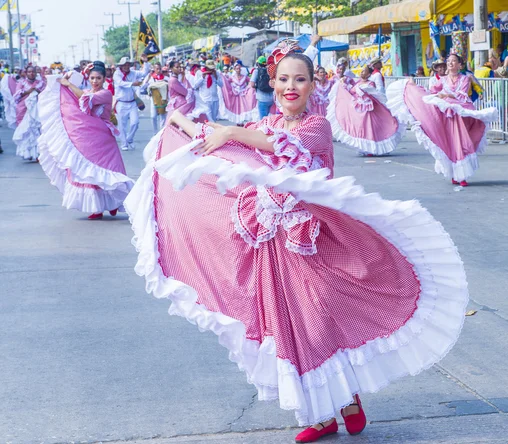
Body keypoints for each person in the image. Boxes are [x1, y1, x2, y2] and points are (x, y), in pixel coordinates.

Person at [124, 40, 468, 444]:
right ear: (273, 82)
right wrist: (180, 124)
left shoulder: (315, 127)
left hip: (314, 237)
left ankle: (348, 397)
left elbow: (278, 149)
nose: (291, 87)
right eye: (283, 79)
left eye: (300, 79)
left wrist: (233, 131)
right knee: (288, 325)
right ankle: (321, 414)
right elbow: (225, 140)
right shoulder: (265, 125)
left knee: (320, 317)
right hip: (271, 241)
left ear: (312, 85)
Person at [37, 63, 134, 219]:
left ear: (104, 79)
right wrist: (64, 87)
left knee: (110, 171)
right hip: (90, 138)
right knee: (89, 172)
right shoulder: (87, 91)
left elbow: (83, 97)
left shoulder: (106, 93)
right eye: (92, 78)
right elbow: (75, 98)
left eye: (98, 78)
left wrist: (68, 84)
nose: (95, 81)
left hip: (103, 138)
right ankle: (98, 208)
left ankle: (114, 204)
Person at [387, 52, 498, 186]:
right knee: (449, 143)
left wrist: (445, 95)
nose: (450, 63)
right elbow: (431, 92)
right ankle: (453, 173)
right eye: (449, 61)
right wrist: (415, 87)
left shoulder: (465, 78)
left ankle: (462, 176)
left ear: (459, 64)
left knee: (461, 143)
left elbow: (462, 95)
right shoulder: (442, 79)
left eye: (453, 61)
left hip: (459, 115)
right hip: (446, 115)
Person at [328, 65, 404, 156]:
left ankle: (372, 149)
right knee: (362, 130)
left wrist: (360, 90)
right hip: (359, 111)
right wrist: (343, 84)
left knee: (370, 130)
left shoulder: (370, 83)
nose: (362, 73)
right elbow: (351, 91)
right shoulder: (358, 82)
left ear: (368, 74)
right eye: (362, 71)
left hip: (368, 111)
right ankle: (365, 148)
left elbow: (370, 93)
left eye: (364, 71)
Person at [113, 54, 150, 151]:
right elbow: (120, 83)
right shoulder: (117, 74)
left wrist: (145, 62)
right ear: (121, 66)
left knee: (135, 122)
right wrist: (133, 83)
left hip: (132, 103)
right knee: (122, 125)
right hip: (121, 103)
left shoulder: (133, 73)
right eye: (124, 65)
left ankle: (129, 139)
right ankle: (124, 144)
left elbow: (144, 73)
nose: (126, 66)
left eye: (128, 64)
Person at [13, 65, 47, 161]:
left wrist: (37, 91)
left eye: (33, 72)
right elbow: (16, 96)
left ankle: (39, 154)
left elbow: (45, 94)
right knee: (26, 131)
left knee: (37, 131)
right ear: (26, 73)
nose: (31, 73)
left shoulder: (40, 83)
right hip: (24, 110)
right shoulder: (21, 83)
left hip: (37, 110)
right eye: (29, 72)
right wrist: (28, 91)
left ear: (36, 73)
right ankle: (28, 153)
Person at [144, 61, 169, 132]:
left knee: (162, 117)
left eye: (159, 69)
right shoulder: (151, 78)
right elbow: (143, 87)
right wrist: (148, 79)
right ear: (154, 69)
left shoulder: (165, 77)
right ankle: (155, 132)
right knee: (153, 116)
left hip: (163, 99)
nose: (158, 70)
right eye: (157, 69)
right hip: (153, 100)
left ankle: (161, 133)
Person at [249, 55, 275, 119]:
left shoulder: (256, 71)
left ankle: (264, 129)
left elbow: (252, 84)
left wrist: (257, 86)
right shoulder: (270, 70)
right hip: (271, 98)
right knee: (269, 118)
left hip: (262, 98)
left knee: (263, 119)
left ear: (258, 64)